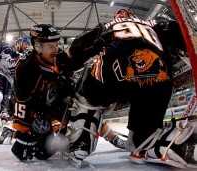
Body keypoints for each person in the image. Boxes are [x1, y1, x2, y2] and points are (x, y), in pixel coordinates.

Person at [67, 9, 196, 168]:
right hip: (158, 79)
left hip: (115, 76)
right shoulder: (153, 25)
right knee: (149, 102)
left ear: (118, 17)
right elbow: (181, 33)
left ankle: (82, 141)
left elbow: (79, 49)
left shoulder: (110, 25)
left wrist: (67, 65)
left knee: (87, 96)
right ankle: (145, 144)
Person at [11, 24, 126, 162]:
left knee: (84, 102)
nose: (56, 49)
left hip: (56, 102)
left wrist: (99, 37)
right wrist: (21, 134)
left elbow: (75, 59)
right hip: (37, 112)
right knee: (42, 153)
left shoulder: (58, 55)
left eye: (57, 44)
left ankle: (112, 137)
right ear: (37, 46)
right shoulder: (26, 69)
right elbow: (21, 101)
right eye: (51, 46)